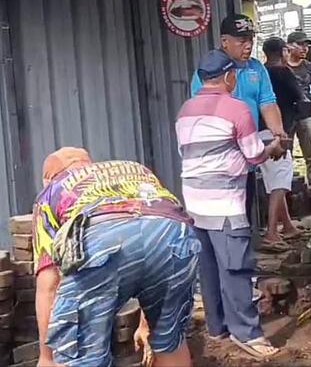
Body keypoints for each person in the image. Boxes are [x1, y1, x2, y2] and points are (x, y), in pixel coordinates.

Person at [32, 148, 198, 367]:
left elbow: (49, 285)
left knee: (82, 355)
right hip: (175, 234)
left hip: (103, 237)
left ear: (48, 178)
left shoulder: (51, 192)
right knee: (170, 342)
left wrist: (47, 357)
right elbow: (149, 234)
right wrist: (148, 327)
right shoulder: (136, 169)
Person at [177, 49, 283, 361]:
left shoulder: (185, 110)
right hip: (225, 203)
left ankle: (217, 327)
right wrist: (273, 147)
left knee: (208, 269)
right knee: (236, 268)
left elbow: (192, 153)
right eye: (233, 74)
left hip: (194, 203)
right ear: (227, 76)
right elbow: (253, 155)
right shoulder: (236, 109)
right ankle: (247, 333)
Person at [190, 14, 286, 231]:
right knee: (219, 222)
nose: (248, 46)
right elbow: (204, 112)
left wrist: (278, 134)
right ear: (225, 42)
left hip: (246, 160)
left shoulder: (256, 68)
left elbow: (268, 103)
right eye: (241, 41)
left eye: (250, 40)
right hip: (219, 161)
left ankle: (240, 260)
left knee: (242, 215)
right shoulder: (209, 72)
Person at [261, 37, 306, 248]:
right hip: (279, 131)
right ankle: (271, 232)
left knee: (274, 179)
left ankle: (287, 225)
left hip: (259, 131)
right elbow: (300, 98)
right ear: (283, 53)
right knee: (279, 183)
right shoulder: (283, 72)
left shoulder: (261, 72)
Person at [286, 30, 311, 192]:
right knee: (286, 152)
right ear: (289, 46)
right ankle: (288, 185)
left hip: (306, 114)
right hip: (287, 115)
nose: (304, 48)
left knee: (310, 152)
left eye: (306, 45)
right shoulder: (281, 67)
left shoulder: (310, 68)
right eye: (300, 44)